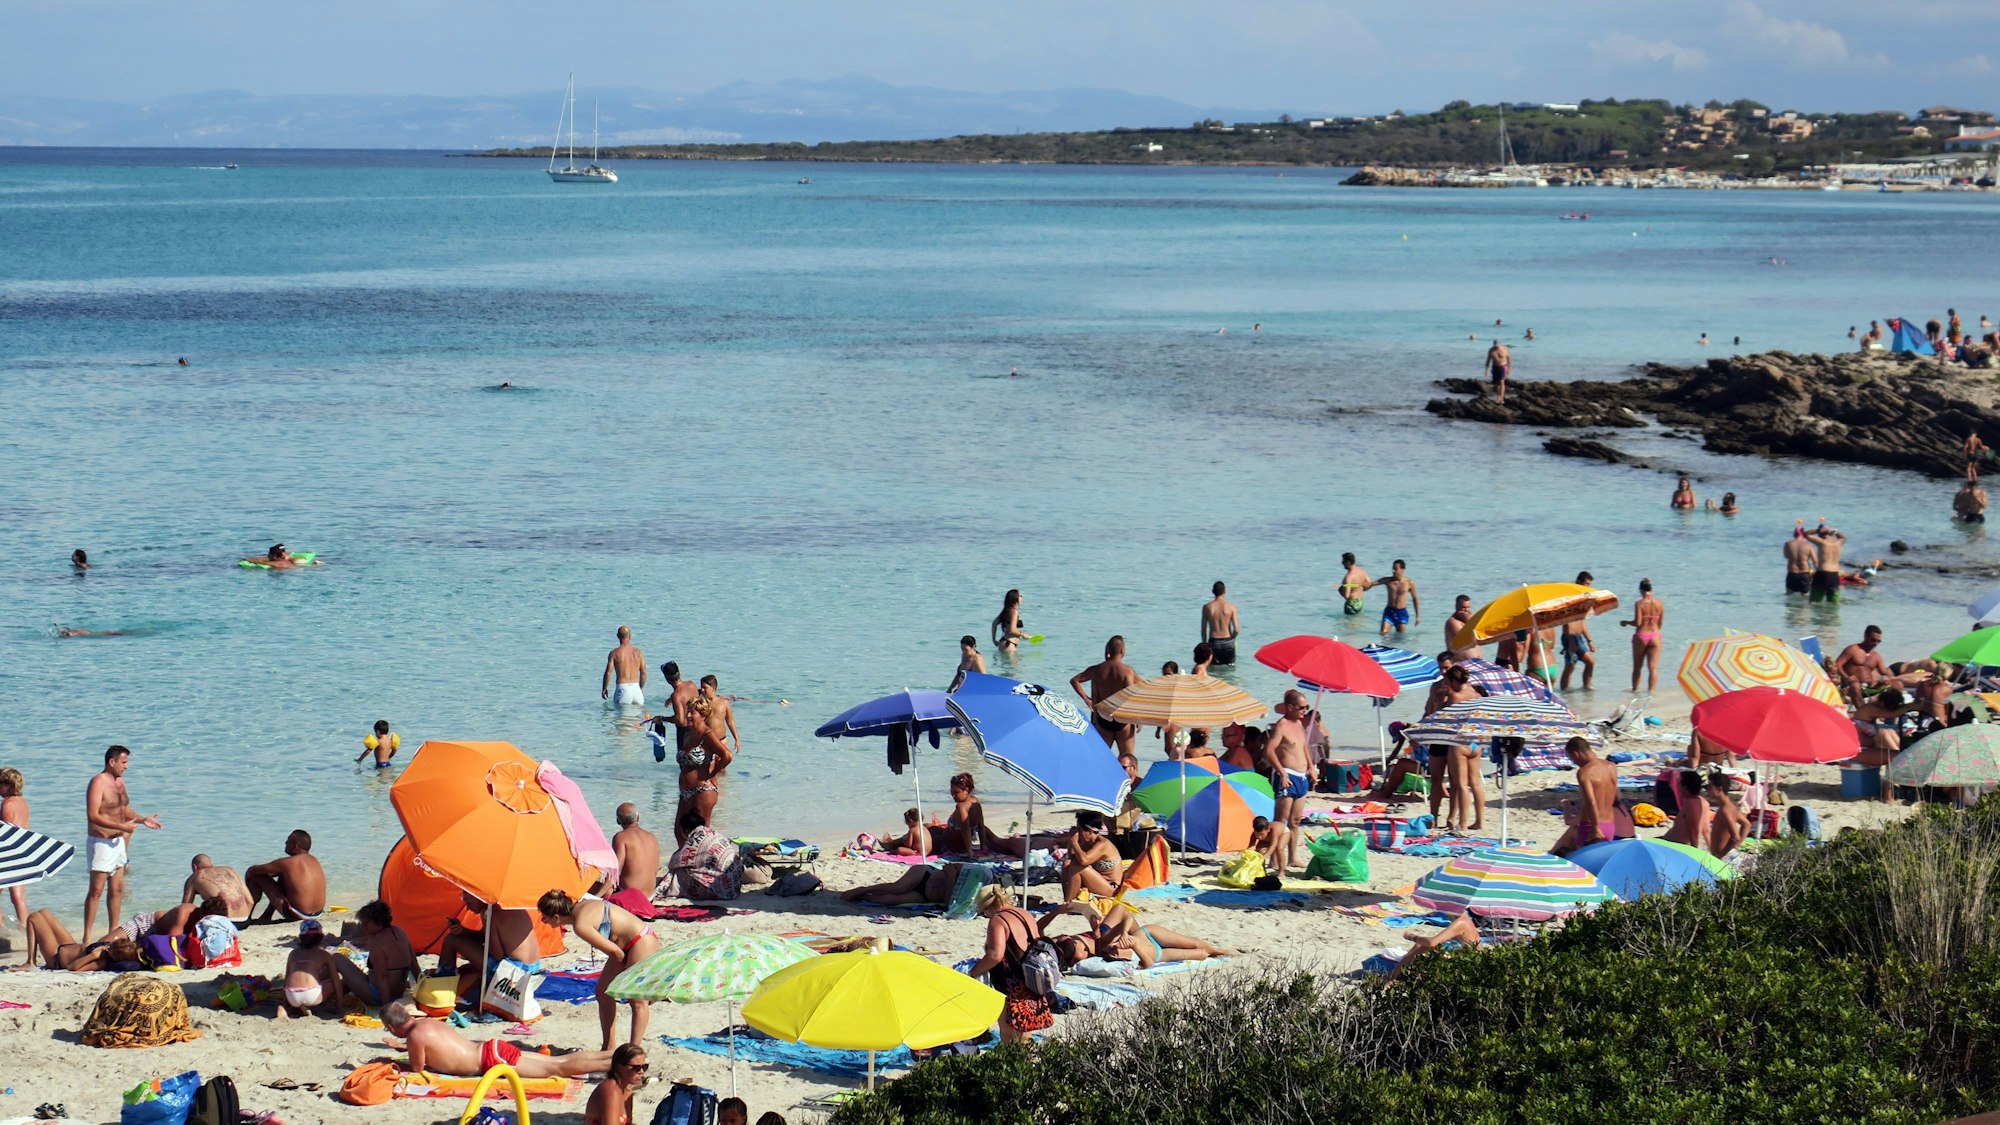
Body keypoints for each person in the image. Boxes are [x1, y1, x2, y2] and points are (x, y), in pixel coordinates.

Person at [538, 889, 659, 1050]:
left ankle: (633, 1051)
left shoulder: (580, 925)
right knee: (602, 992)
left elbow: (616, 953)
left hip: (641, 941)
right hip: (627, 945)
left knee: (637, 1000)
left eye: (544, 918)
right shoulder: (582, 904)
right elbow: (616, 951)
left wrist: (625, 977)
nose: (543, 921)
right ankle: (608, 1046)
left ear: (556, 917)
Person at [383, 997, 618, 1078]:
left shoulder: (414, 1038)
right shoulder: (426, 1023)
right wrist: (402, 1048)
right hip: (491, 1049)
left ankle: (617, 1062)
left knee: (558, 1068)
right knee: (557, 1062)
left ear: (393, 1027)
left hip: (491, 1061)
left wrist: (393, 1062)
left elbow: (417, 1068)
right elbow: (435, 1048)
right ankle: (612, 1055)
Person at [82, 745, 161, 944]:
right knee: (96, 892)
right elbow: (93, 816)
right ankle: (86, 938)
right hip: (101, 842)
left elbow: (123, 810)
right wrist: (121, 826)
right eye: (124, 762)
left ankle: (112, 934)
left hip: (118, 843)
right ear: (112, 762)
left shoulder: (119, 782)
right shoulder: (97, 782)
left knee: (116, 889)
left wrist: (142, 819)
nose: (127, 766)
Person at [1038, 897, 1235, 970]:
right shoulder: (1098, 953)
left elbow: (1037, 930)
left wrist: (1057, 911)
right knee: (1199, 953)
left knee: (1196, 943)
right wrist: (1131, 943)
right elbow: (1146, 963)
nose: (1082, 952)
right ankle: (1214, 952)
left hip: (1145, 935)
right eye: (1079, 955)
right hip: (1148, 950)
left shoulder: (1062, 943)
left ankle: (1219, 950)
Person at [967, 884, 1052, 1042]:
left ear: (990, 907)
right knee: (1026, 1034)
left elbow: (995, 955)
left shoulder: (998, 919)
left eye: (985, 911)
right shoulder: (1025, 914)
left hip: (1012, 985)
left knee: (1009, 1036)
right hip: (1032, 979)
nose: (986, 915)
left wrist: (973, 973)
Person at [1426, 662, 1485, 834]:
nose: (1444, 673)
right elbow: (1429, 710)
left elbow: (1446, 718)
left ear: (1453, 677)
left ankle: (1458, 821)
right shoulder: (1475, 694)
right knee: (1445, 780)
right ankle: (1437, 816)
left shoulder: (1454, 695)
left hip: (1455, 741)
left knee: (1459, 784)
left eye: (1447, 670)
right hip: (1473, 741)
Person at [278, 918, 371, 1019]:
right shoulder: (323, 954)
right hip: (311, 994)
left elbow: (287, 979)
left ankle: (288, 1008)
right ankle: (306, 1005)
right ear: (321, 938)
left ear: (301, 937)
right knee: (337, 981)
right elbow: (336, 983)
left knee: (300, 993)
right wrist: (338, 1008)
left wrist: (286, 1002)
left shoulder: (293, 954)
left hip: (291, 994)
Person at [436, 893, 540, 980]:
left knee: (451, 940)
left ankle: (443, 982)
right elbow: (485, 936)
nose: (467, 908)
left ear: (479, 897)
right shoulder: (505, 904)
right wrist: (463, 931)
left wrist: (469, 953)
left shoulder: (491, 913)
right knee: (462, 945)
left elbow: (496, 955)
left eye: (469, 903)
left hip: (516, 973)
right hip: (533, 968)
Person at [1264, 690, 1313, 875]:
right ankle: (1274, 859)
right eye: (1301, 707)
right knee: (1280, 821)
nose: (1305, 710)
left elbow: (1303, 746)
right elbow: (1268, 751)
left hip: (1301, 777)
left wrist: (1310, 766)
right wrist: (1282, 772)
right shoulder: (1281, 726)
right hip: (1287, 776)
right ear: (1290, 707)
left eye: (1307, 707)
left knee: (1295, 821)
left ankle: (1293, 857)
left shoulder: (1299, 723)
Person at [674, 698, 733, 842]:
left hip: (702, 791)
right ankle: (686, 861)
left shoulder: (707, 735)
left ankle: (702, 862)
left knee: (701, 834)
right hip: (685, 791)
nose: (688, 716)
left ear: (703, 715)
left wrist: (712, 773)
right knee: (679, 830)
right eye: (688, 712)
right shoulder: (689, 733)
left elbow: (727, 755)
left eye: (692, 713)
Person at [1549, 737, 1620, 856]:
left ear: (1575, 754)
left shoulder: (1585, 772)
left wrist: (1596, 827)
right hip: (1610, 824)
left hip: (1591, 826)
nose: (1575, 763)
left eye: (1573, 759)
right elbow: (1616, 796)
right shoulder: (1611, 766)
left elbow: (1591, 801)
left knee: (1585, 861)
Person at [1071, 636, 1140, 754]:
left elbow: (1074, 680)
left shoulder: (1097, 670)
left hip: (1102, 719)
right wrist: (1138, 718)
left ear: (1107, 651)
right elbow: (1134, 694)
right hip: (1123, 720)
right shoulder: (1127, 671)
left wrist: (1087, 699)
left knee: (1099, 758)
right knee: (1128, 759)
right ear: (1123, 651)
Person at [928, 773, 1024, 857]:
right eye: (952, 792)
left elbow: (965, 830)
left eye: (956, 792)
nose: (953, 795)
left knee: (928, 829)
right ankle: (1015, 842)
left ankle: (1014, 843)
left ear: (967, 790)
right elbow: (981, 826)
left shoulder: (961, 807)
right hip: (963, 838)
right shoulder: (975, 801)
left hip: (950, 844)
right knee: (997, 841)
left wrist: (970, 852)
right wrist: (982, 846)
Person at [8, 912, 141, 972]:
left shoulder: (101, 961)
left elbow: (72, 967)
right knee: (45, 913)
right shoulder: (108, 948)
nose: (107, 947)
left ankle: (30, 962)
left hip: (56, 957)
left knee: (33, 918)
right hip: (69, 945)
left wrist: (93, 955)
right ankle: (30, 961)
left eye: (109, 949)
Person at [245, 829, 327, 923]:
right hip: (317, 913)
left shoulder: (287, 863)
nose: (285, 842)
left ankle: (246, 917)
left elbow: (252, 870)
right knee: (283, 876)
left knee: (257, 876)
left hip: (298, 914)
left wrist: (248, 881)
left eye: (288, 841)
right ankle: (266, 916)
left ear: (295, 846)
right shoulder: (314, 860)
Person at [667, 811, 745, 900]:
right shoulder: (714, 834)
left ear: (685, 830)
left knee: (677, 873)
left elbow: (673, 863)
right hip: (735, 886)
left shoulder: (694, 840)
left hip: (722, 891)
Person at [351, 900, 416, 1005]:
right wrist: (422, 989)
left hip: (379, 994)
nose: (363, 926)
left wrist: (385, 1005)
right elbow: (414, 964)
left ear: (378, 921)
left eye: (366, 923)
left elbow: (382, 976)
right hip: (399, 993)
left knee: (338, 958)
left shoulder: (375, 941)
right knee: (346, 982)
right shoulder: (400, 932)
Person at [841, 861, 972, 907]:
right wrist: (951, 875)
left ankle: (865, 896)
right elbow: (946, 867)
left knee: (894, 900)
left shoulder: (970, 894)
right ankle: (864, 889)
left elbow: (947, 903)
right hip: (925, 875)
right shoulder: (965, 870)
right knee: (897, 888)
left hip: (925, 896)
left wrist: (951, 879)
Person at [1059, 811, 1124, 901]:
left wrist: (1074, 842)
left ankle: (1068, 903)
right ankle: (1068, 900)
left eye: (1079, 830)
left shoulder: (1103, 844)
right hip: (1097, 882)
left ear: (1089, 831)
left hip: (1111, 888)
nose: (1077, 833)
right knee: (1067, 863)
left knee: (1077, 867)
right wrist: (1072, 842)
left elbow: (1083, 861)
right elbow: (1071, 858)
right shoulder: (1088, 843)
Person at [585, 1044, 648, 1125]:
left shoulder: (627, 1089)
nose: (641, 1072)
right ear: (620, 1067)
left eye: (645, 1067)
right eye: (636, 1068)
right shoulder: (610, 1090)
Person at [1622, 579, 1664, 694]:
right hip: (1655, 635)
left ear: (1641, 590)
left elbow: (1638, 623)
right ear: (1651, 589)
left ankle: (1635, 692)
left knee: (1637, 667)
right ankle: (1651, 693)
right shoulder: (1660, 603)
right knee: (1653, 667)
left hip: (1642, 635)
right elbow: (1660, 623)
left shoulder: (1639, 603)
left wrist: (1626, 622)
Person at [181, 854, 252, 923]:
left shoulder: (195, 876)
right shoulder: (230, 871)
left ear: (195, 867)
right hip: (244, 920)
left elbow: (184, 907)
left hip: (221, 921)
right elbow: (250, 901)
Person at [610, 803, 660, 900]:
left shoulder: (620, 837)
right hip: (650, 896)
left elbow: (616, 872)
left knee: (594, 886)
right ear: (638, 817)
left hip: (630, 896)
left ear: (617, 821)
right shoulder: (652, 837)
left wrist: (600, 895)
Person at [0, 768, 29, 927]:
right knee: (19, 898)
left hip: (8, 854)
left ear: (7, 785)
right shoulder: (23, 803)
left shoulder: (7, 803)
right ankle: (26, 931)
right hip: (22, 852)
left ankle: (1, 931)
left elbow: (5, 833)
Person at [1559, 571, 1596, 692]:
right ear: (1579, 582)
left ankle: (1571, 691)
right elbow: (1567, 620)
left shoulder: (1583, 600)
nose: (1588, 587)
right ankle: (1585, 688)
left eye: (1590, 585)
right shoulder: (1570, 598)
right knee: (1588, 662)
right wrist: (1570, 640)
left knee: (1570, 666)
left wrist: (1589, 640)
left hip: (1578, 637)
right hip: (1570, 636)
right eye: (1586, 584)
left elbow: (1582, 622)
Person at [1835, 625, 1891, 701]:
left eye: (1878, 641)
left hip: (1869, 688)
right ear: (1865, 636)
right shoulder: (1853, 649)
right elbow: (1837, 664)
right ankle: (1862, 709)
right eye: (1873, 640)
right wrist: (1847, 677)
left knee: (1898, 685)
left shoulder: (1876, 656)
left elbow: (1884, 673)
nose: (1876, 644)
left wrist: (1885, 679)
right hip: (1851, 686)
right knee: (1856, 685)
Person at [1660, 771, 1712, 849]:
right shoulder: (1703, 802)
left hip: (1673, 846)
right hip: (1672, 843)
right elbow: (1706, 830)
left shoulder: (1691, 803)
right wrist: (1713, 852)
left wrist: (1694, 851)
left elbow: (1694, 831)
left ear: (1685, 787)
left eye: (1679, 784)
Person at [1706, 774, 1750, 858]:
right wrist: (1736, 847)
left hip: (1723, 857)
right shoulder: (1731, 806)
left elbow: (1735, 837)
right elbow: (1746, 825)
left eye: (1709, 786)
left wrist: (1721, 855)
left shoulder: (1725, 810)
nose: (1707, 789)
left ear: (1719, 789)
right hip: (1728, 855)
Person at [1372, 559, 1420, 637]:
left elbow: (1415, 599)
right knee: (1383, 634)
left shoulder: (1409, 582)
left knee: (1400, 637)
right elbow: (1371, 584)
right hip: (1389, 612)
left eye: (1396, 569)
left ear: (1402, 570)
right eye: (1393, 568)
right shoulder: (1388, 580)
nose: (1393, 571)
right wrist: (1361, 585)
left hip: (1401, 613)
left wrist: (1417, 616)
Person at [601, 626, 646, 708]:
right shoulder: (638, 652)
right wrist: (641, 688)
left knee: (621, 720)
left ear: (617, 636)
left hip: (623, 689)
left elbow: (608, 673)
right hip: (636, 690)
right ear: (630, 635)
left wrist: (604, 689)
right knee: (638, 719)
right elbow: (643, 672)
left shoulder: (614, 653)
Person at [696, 675, 741, 753]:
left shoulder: (724, 703)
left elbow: (730, 722)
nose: (702, 690)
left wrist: (736, 739)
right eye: (701, 688)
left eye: (705, 687)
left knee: (723, 763)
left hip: (722, 741)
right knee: (708, 765)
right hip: (706, 741)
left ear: (713, 688)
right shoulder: (701, 704)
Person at [1201, 581, 1239, 665]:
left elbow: (1203, 630)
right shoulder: (1232, 606)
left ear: (1213, 591)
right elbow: (1236, 629)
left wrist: (1205, 644)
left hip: (1214, 643)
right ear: (1225, 591)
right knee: (1230, 670)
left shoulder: (1207, 607)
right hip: (1228, 642)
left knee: (1214, 671)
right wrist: (1232, 639)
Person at [1809, 526, 1846, 604]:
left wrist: (1818, 530)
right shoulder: (1838, 542)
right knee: (1835, 603)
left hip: (1822, 573)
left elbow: (1806, 534)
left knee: (1814, 602)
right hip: (1834, 575)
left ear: (1820, 534)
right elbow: (1843, 537)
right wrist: (1835, 531)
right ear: (1830, 533)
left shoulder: (1822, 542)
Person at [1783, 525, 1816, 595]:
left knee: (1789, 595)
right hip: (1805, 574)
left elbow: (1786, 556)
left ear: (1794, 534)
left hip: (1792, 573)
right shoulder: (1809, 545)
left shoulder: (1788, 544)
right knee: (1805, 597)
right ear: (1803, 534)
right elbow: (1815, 561)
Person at [991, 589, 1026, 653]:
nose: (1021, 597)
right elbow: (1012, 630)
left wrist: (994, 640)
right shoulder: (1014, 612)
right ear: (1015, 598)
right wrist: (1023, 635)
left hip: (1004, 643)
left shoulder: (1006, 611)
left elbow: (994, 624)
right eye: (1020, 595)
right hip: (1009, 644)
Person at [1338, 553, 1371, 617]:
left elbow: (1347, 595)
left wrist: (1341, 591)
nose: (1342, 564)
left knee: (1348, 625)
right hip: (1360, 601)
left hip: (1351, 604)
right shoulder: (1363, 572)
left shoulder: (1349, 577)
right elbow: (1369, 584)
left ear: (1348, 562)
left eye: (1343, 562)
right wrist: (1360, 588)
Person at [1484, 339, 1511, 404]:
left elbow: (1509, 359)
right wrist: (1486, 370)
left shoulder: (1505, 349)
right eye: (1495, 345)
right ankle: (1498, 397)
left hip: (1503, 366)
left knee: (1502, 382)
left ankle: (1501, 398)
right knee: (1496, 383)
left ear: (1500, 344)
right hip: (1495, 367)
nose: (1496, 347)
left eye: (1497, 346)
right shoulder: (1491, 350)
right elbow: (1488, 360)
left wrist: (1509, 368)